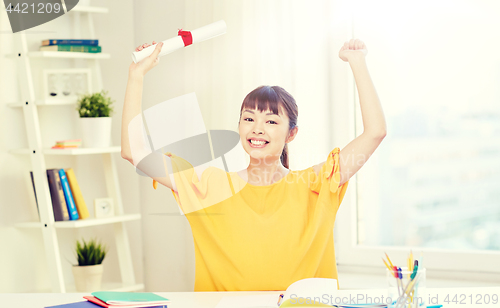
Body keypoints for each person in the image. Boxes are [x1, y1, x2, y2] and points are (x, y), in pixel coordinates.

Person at [121, 39, 386, 291]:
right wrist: (136, 76)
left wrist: (356, 61)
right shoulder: (209, 186)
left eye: (271, 121)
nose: (257, 129)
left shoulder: (314, 185)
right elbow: (134, 152)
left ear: (291, 134)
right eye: (249, 119)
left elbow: (375, 132)